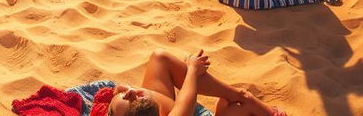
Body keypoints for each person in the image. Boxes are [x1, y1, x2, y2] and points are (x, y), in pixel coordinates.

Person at [103, 48, 285, 116]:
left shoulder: (142, 104)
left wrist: (122, 92)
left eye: (124, 94)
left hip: (161, 109)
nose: (130, 91)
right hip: (184, 110)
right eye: (131, 97)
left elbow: (120, 93)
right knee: (239, 105)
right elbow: (188, 96)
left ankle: (234, 94)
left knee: (160, 58)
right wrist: (192, 68)